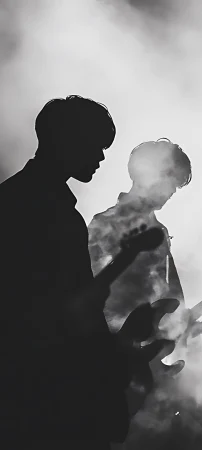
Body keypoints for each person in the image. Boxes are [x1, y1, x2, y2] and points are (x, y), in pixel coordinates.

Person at [0, 95, 170, 449]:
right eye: (94, 145)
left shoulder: (20, 198)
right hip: (46, 390)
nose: (102, 156)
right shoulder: (49, 213)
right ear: (65, 139)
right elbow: (62, 311)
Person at [87, 139, 202, 449]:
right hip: (129, 377)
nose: (173, 190)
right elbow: (98, 311)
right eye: (171, 179)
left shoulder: (157, 231)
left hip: (159, 369)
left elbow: (170, 321)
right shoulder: (106, 227)